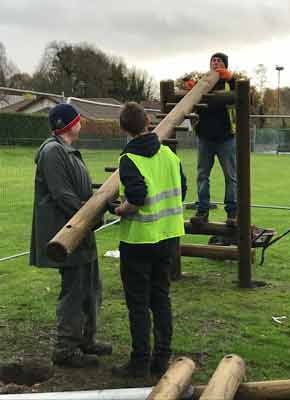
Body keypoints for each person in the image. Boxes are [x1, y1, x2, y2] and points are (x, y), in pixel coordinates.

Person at [30, 103, 112, 368]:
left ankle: (86, 340)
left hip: (81, 230)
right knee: (75, 291)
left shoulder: (68, 151)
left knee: (91, 286)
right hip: (68, 234)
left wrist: (102, 202)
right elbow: (62, 194)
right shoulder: (53, 152)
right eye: (77, 120)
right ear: (67, 124)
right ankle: (65, 348)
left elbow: (80, 189)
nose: (81, 123)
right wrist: (87, 217)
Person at [110, 102, 187, 378]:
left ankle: (139, 362)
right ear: (148, 123)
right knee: (161, 298)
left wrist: (120, 209)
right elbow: (182, 188)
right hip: (167, 237)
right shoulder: (169, 155)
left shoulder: (129, 159)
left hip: (139, 241)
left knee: (139, 303)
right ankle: (161, 358)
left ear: (123, 129)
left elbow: (137, 197)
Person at [191, 52, 237, 226]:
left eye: (220, 61)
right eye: (213, 60)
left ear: (225, 65)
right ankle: (202, 211)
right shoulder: (203, 82)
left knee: (230, 177)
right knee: (202, 176)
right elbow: (191, 98)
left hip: (226, 138)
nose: (216, 62)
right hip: (205, 138)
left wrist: (231, 77)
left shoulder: (230, 83)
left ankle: (232, 213)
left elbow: (242, 94)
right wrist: (190, 86)